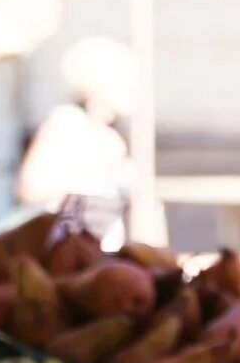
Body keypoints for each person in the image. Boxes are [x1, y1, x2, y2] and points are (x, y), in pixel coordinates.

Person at [15, 36, 149, 247]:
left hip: (101, 254)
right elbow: (30, 189)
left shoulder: (113, 139)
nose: (134, 89)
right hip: (64, 255)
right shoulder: (67, 122)